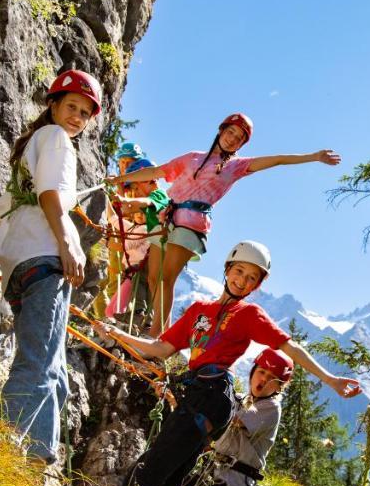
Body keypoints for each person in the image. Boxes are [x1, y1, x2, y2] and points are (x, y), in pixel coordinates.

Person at [90, 239, 360, 486]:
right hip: (201, 394)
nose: (242, 281)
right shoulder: (197, 311)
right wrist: (116, 334)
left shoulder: (249, 315)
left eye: (251, 278)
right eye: (239, 271)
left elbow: (289, 347)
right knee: (173, 468)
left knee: (159, 459)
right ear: (228, 268)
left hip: (213, 395)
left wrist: (330, 379)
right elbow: (160, 348)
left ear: (256, 286)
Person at [0, 69, 102, 470]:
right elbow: (51, 195)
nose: (77, 117)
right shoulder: (56, 140)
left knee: (53, 367)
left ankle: (38, 461)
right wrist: (69, 242)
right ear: (52, 105)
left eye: (85, 113)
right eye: (71, 106)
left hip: (17, 269)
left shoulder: (29, 153)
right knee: (39, 363)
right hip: (45, 260)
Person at [120, 114, 342, 336]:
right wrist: (117, 180)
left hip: (192, 223)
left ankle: (155, 337)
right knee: (153, 278)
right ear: (221, 131)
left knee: (166, 278)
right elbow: (156, 171)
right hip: (165, 216)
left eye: (239, 138)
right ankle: (161, 333)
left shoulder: (236, 166)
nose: (232, 139)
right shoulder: (192, 158)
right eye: (231, 132)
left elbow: (277, 159)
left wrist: (313, 157)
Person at [175, 347, 294, 486]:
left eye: (272, 379)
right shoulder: (239, 399)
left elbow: (235, 420)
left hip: (233, 485)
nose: (264, 380)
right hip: (212, 473)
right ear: (253, 372)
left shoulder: (271, 408)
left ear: (279, 387)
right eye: (261, 373)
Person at [98, 157, 169, 326]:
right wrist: (106, 196)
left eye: (135, 187)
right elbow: (119, 215)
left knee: (143, 282)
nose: (134, 192)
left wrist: (125, 200)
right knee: (145, 284)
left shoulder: (158, 195)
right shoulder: (136, 223)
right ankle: (144, 321)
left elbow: (143, 202)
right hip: (151, 254)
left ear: (147, 180)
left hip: (155, 254)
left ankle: (141, 316)